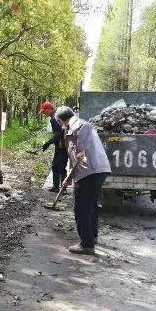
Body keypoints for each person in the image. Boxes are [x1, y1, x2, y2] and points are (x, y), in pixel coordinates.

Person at [56, 106, 111, 255]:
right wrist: (70, 177)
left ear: (61, 120)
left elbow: (79, 154)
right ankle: (91, 238)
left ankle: (86, 244)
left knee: (81, 209)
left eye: (60, 122)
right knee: (90, 206)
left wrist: (72, 175)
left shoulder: (79, 126)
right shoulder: (78, 125)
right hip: (95, 170)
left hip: (89, 171)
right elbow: (75, 157)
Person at [40, 101, 68, 192]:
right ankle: (56, 187)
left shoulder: (54, 118)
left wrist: (48, 142)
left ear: (50, 109)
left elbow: (58, 133)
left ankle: (63, 189)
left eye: (44, 111)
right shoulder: (57, 115)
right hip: (61, 145)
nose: (44, 113)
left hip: (62, 146)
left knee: (60, 166)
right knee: (56, 166)